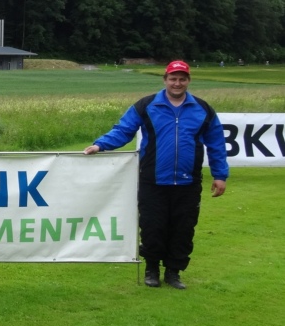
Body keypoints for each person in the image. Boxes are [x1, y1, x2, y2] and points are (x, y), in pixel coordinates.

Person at [84, 60, 228, 290]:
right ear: (165, 80)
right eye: (173, 78)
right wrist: (101, 145)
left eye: (182, 79)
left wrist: (220, 175)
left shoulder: (202, 109)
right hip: (152, 180)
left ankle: (174, 272)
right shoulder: (147, 105)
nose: (177, 83)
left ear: (188, 81)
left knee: (183, 229)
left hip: (188, 182)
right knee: (153, 227)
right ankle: (152, 270)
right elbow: (124, 130)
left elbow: (216, 143)